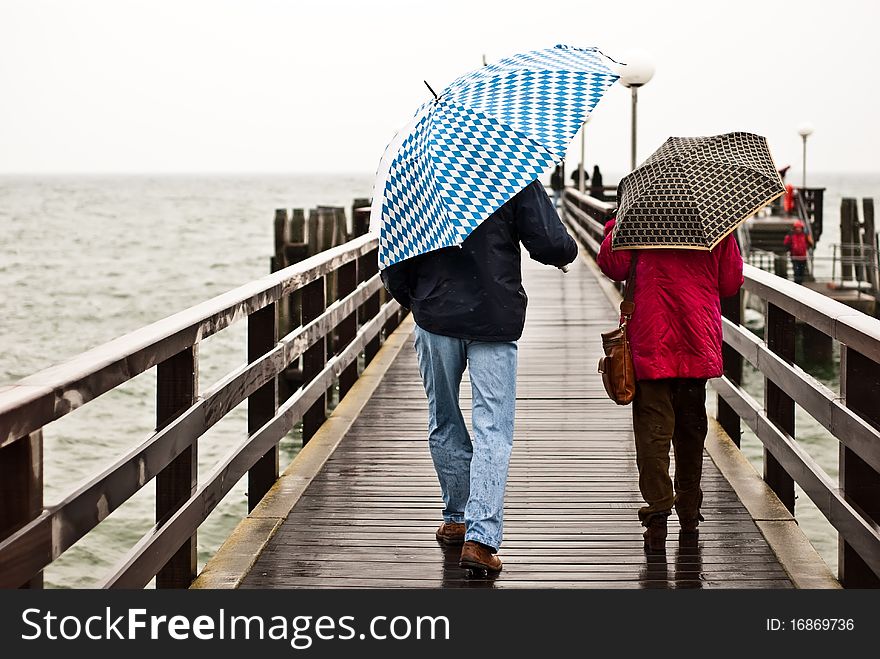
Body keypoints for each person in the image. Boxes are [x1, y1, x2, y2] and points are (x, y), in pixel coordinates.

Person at [381, 180, 578, 573]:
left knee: (444, 417)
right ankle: (480, 538)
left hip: (435, 317)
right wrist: (564, 253)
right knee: (494, 429)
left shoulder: (417, 176)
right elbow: (551, 243)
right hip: (495, 314)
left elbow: (392, 258)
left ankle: (456, 516)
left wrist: (418, 298)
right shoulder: (512, 171)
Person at [597, 217, 744, 552]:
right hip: (696, 339)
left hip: (651, 339)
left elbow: (613, 265)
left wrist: (615, 224)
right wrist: (728, 237)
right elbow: (730, 282)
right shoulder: (715, 220)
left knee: (653, 433)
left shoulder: (638, 217)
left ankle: (658, 514)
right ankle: (690, 513)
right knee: (691, 432)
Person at [784, 219, 813, 284]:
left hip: (803, 257)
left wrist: (808, 240)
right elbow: (786, 243)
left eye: (799, 228)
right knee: (796, 273)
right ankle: (797, 284)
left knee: (801, 273)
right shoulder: (791, 235)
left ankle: (800, 284)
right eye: (797, 228)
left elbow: (810, 243)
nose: (798, 229)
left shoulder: (805, 235)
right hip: (795, 257)